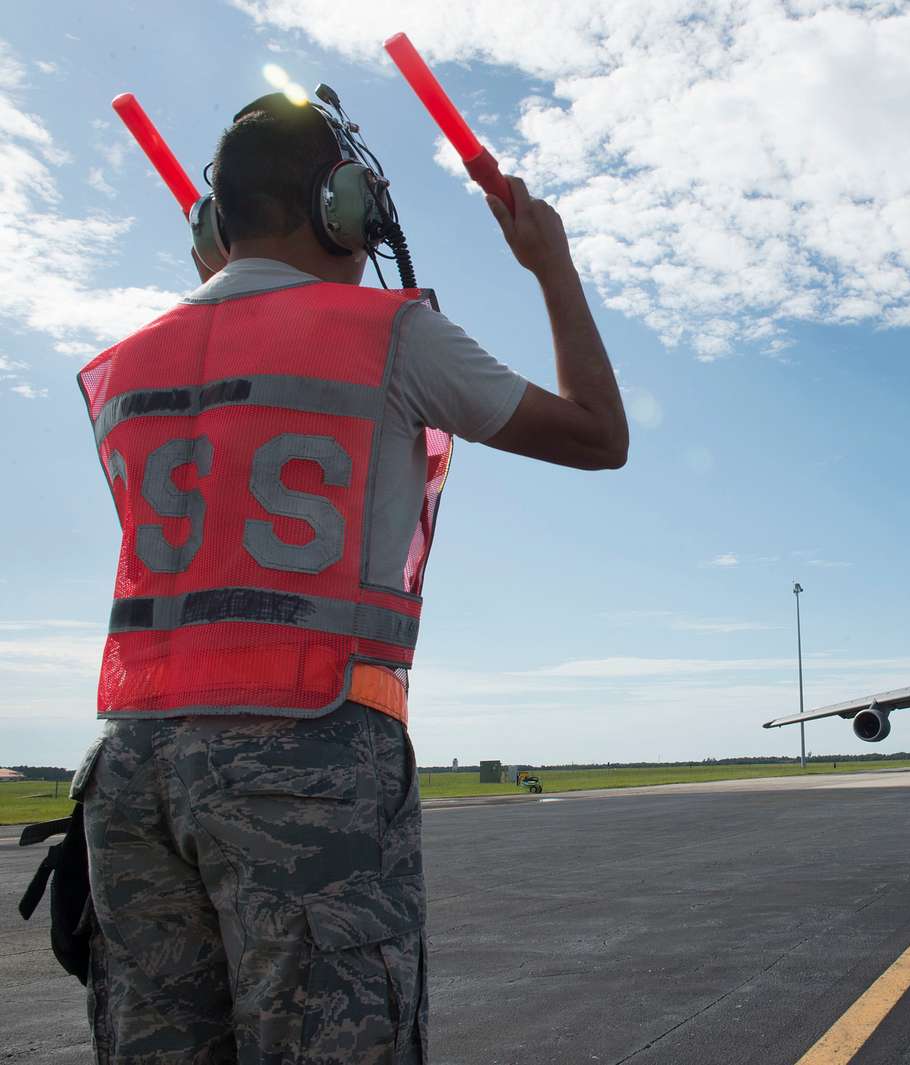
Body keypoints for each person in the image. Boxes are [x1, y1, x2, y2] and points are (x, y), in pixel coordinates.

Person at [72, 92, 626, 1063]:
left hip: (132, 768)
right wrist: (552, 265)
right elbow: (596, 438)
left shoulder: (119, 368)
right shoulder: (387, 332)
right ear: (345, 209)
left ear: (214, 225)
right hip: (308, 752)